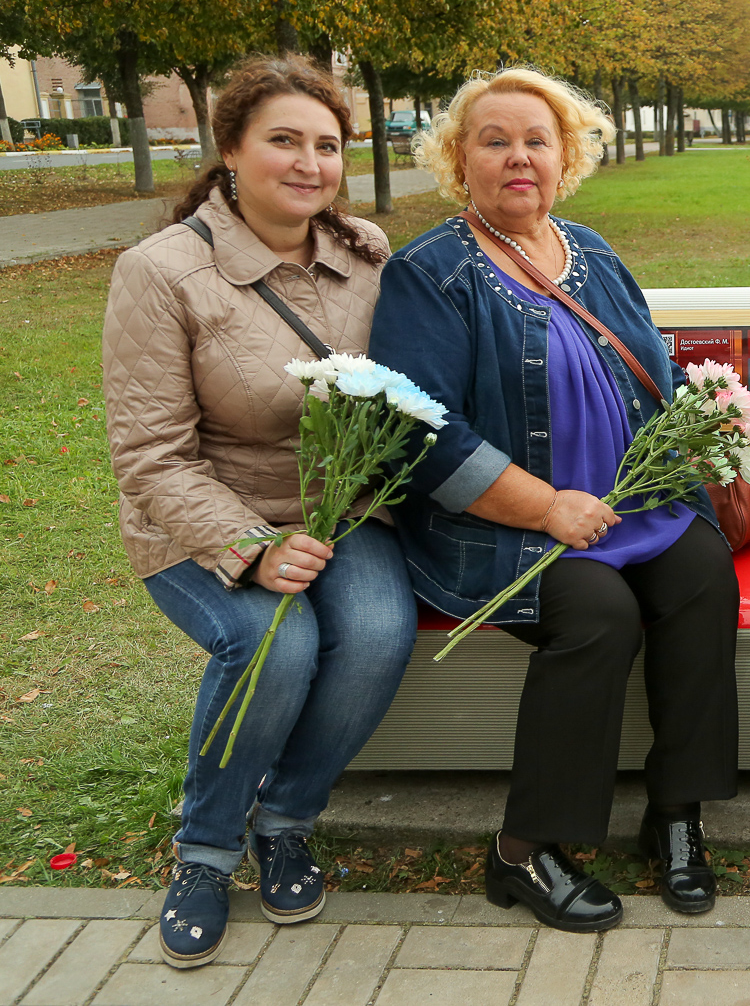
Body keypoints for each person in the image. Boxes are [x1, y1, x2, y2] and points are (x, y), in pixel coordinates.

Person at [367, 67, 739, 933]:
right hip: (502, 524)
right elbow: (418, 434)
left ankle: (675, 813)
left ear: (564, 156)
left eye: (537, 140)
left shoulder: (593, 252)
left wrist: (699, 430)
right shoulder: (431, 273)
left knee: (701, 574)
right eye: (494, 140)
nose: (518, 157)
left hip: (629, 505)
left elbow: (651, 371)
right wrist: (545, 508)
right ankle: (523, 848)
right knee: (599, 611)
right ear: (460, 160)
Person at [102, 55, 415, 969]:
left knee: (378, 630)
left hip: (340, 508)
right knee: (277, 642)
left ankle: (285, 819)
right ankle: (205, 847)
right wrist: (251, 545)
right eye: (284, 140)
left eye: (328, 145)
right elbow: (150, 456)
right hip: (200, 519)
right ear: (231, 149)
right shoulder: (160, 271)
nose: (310, 164)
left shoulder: (366, 254)